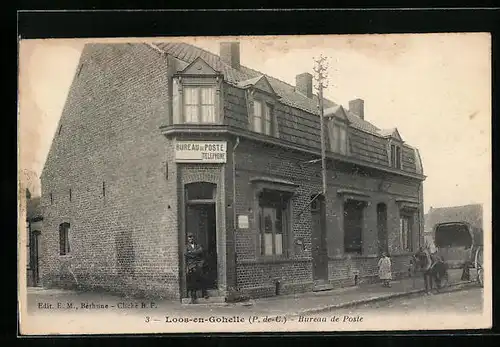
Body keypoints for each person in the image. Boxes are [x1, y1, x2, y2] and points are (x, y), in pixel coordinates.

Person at [185, 233, 208, 303]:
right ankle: (193, 296)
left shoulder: (198, 246)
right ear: (187, 239)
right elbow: (186, 254)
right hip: (191, 265)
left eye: (192, 237)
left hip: (198, 265)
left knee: (202, 278)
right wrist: (196, 253)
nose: (191, 239)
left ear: (194, 238)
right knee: (192, 280)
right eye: (189, 237)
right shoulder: (186, 247)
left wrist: (191, 253)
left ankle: (204, 294)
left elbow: (201, 252)